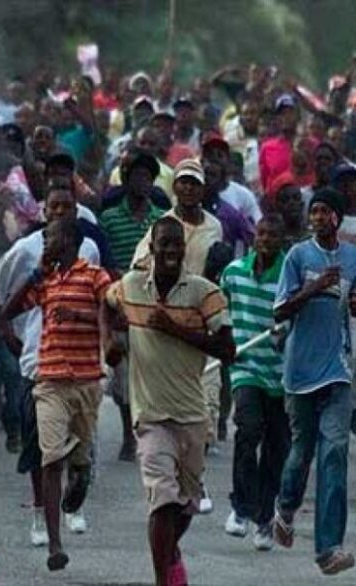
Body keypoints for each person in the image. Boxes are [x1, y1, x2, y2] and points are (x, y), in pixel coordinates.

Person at [103, 216, 234, 586]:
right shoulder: (130, 286)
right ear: (152, 247)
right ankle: (164, 578)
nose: (172, 250)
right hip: (150, 416)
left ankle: (169, 556)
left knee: (185, 507)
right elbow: (106, 303)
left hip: (191, 414)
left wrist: (175, 329)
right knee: (162, 500)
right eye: (165, 244)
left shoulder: (205, 293)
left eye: (178, 243)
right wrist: (107, 341)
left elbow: (228, 349)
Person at [0, 184, 102, 545]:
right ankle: (42, 516)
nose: (60, 212)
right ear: (43, 211)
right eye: (54, 207)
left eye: (67, 207)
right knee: (42, 445)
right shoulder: (26, 250)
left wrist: (93, 328)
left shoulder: (89, 251)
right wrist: (10, 338)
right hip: (38, 362)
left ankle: (75, 499)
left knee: (77, 447)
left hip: (82, 365)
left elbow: (105, 308)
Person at [0, 219, 111, 572]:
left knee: (78, 462)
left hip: (86, 381)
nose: (47, 242)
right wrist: (35, 275)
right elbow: (8, 311)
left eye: (55, 237)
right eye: (46, 237)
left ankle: (81, 473)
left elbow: (113, 317)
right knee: (49, 458)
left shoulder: (95, 277)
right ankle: (55, 543)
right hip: (49, 380)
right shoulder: (44, 279)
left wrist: (78, 314)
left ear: (73, 242)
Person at [271, 188, 356, 575]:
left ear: (337, 218)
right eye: (315, 211)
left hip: (338, 371)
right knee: (300, 452)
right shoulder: (297, 256)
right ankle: (285, 508)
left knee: (334, 455)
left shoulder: (353, 257)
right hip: (299, 373)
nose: (319, 217)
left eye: (325, 211)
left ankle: (329, 549)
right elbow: (280, 310)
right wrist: (315, 287)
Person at [220, 214, 289, 551]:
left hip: (282, 374)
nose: (266, 239)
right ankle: (241, 507)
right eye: (261, 233)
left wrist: (285, 333)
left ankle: (264, 517)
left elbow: (297, 321)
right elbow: (220, 310)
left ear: (282, 240)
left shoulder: (290, 279)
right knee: (247, 431)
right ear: (253, 237)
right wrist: (224, 342)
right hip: (245, 368)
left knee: (277, 446)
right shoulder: (233, 273)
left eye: (273, 235)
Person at [132, 159, 223, 276]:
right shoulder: (163, 224)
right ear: (174, 187)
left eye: (194, 183)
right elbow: (139, 263)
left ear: (203, 190)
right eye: (184, 183)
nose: (189, 188)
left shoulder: (214, 226)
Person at [260, 95, 300, 196]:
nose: (285, 117)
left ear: (298, 116)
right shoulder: (267, 148)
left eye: (290, 112)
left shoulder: (308, 145)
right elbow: (265, 183)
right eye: (281, 114)